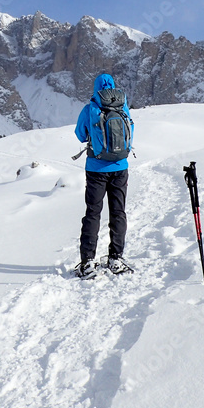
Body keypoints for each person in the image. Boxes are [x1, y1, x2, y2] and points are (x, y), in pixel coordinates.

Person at [74, 73, 133, 278]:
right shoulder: (123, 106)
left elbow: (80, 135)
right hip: (120, 167)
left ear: (96, 88)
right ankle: (116, 258)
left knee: (93, 213)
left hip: (96, 169)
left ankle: (88, 262)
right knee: (118, 212)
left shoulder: (90, 108)